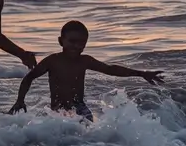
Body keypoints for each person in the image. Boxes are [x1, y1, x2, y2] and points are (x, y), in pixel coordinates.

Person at [9, 20, 164, 120]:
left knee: (86, 137)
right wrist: (20, 100)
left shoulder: (85, 61)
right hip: (57, 110)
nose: (77, 46)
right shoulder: (52, 61)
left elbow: (110, 69)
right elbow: (29, 78)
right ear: (60, 41)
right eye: (72, 41)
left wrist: (141, 74)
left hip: (80, 108)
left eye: (82, 42)